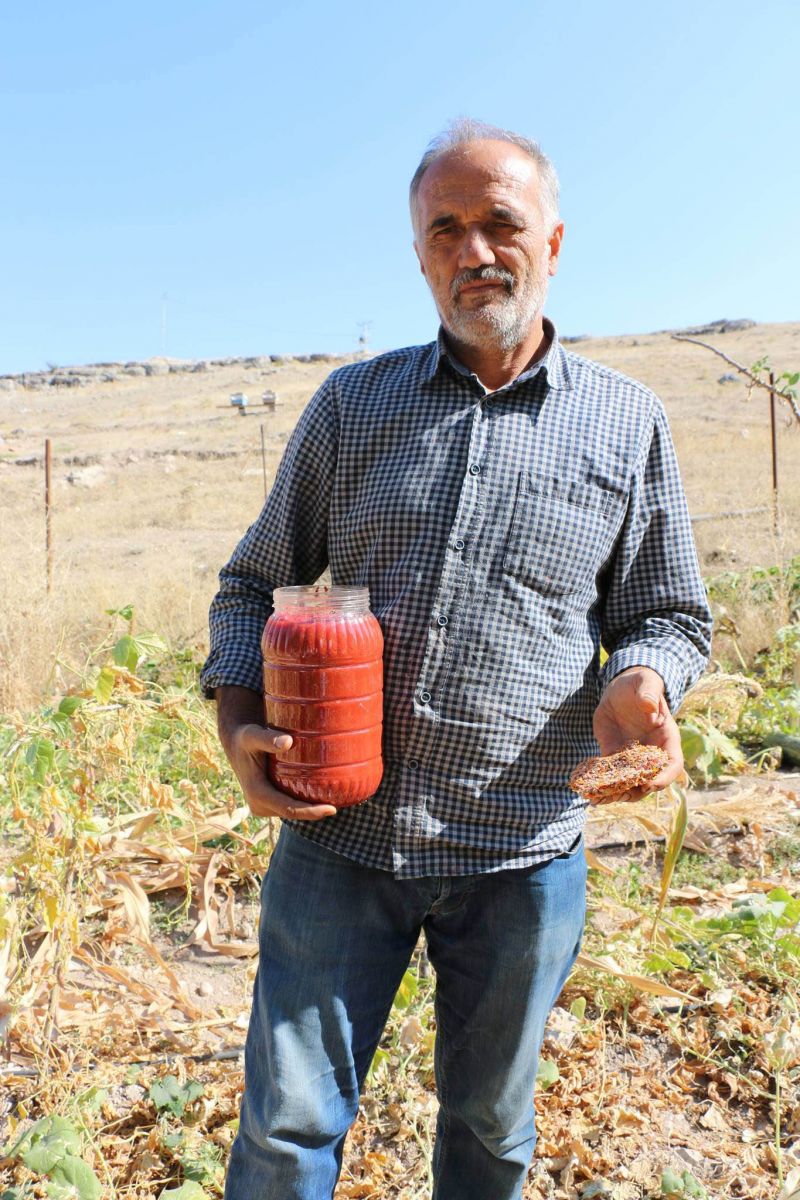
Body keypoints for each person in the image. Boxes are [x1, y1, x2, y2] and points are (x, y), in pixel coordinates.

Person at [201, 118, 713, 1200]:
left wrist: (640, 682)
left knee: (487, 1128)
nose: (473, 249)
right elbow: (253, 584)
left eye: (499, 222)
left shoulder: (625, 423)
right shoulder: (355, 406)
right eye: (445, 228)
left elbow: (669, 613)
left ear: (554, 243)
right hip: (339, 838)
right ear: (420, 254)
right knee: (287, 1127)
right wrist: (237, 720)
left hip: (521, 850)